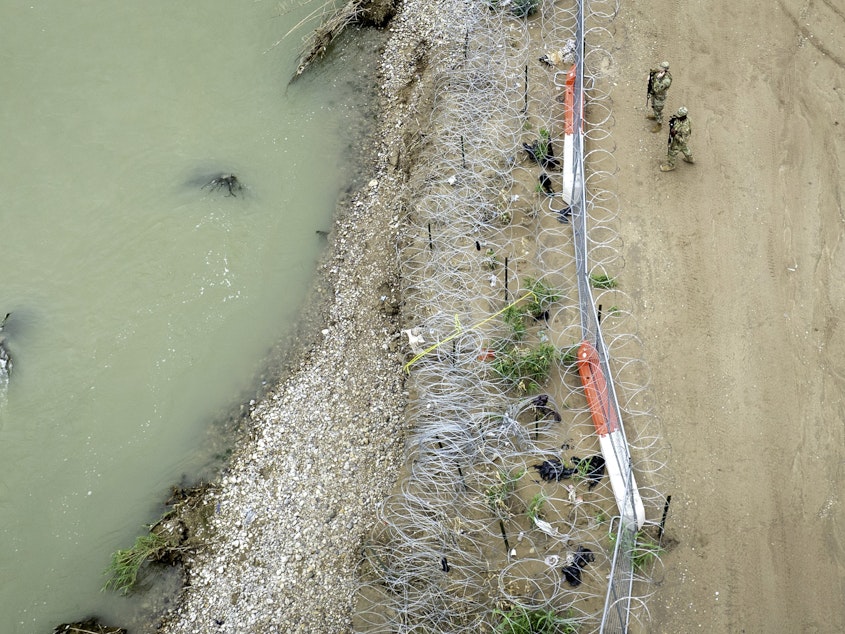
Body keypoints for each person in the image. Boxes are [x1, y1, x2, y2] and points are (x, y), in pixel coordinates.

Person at [660, 106, 695, 172]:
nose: (677, 117)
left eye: (679, 116)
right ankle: (690, 159)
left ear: (684, 116)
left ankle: (671, 165)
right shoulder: (686, 119)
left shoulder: (685, 129)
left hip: (678, 141)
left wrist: (675, 135)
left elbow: (683, 141)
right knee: (684, 148)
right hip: (680, 139)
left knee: (672, 152)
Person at [646, 61, 672, 133]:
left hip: (660, 97)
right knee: (654, 106)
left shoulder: (667, 80)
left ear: (665, 69)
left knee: (658, 109)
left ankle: (659, 124)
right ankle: (655, 116)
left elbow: (657, 89)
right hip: (654, 94)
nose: (659, 68)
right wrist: (650, 75)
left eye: (661, 68)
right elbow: (653, 70)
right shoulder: (660, 71)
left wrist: (657, 78)